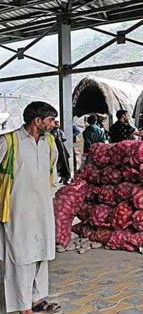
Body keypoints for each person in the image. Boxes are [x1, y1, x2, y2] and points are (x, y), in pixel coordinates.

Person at [0, 102, 61, 313]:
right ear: (37, 121)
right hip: (18, 209)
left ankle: (36, 299)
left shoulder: (50, 143)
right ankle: (21, 304)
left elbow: (50, 172)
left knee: (41, 253)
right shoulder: (9, 141)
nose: (54, 124)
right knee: (20, 256)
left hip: (42, 208)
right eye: (50, 120)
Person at [51, 120, 71, 184]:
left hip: (62, 150)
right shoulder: (51, 133)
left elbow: (64, 139)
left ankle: (65, 178)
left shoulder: (60, 132)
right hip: (56, 150)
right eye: (56, 124)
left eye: (58, 124)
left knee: (65, 165)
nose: (57, 125)